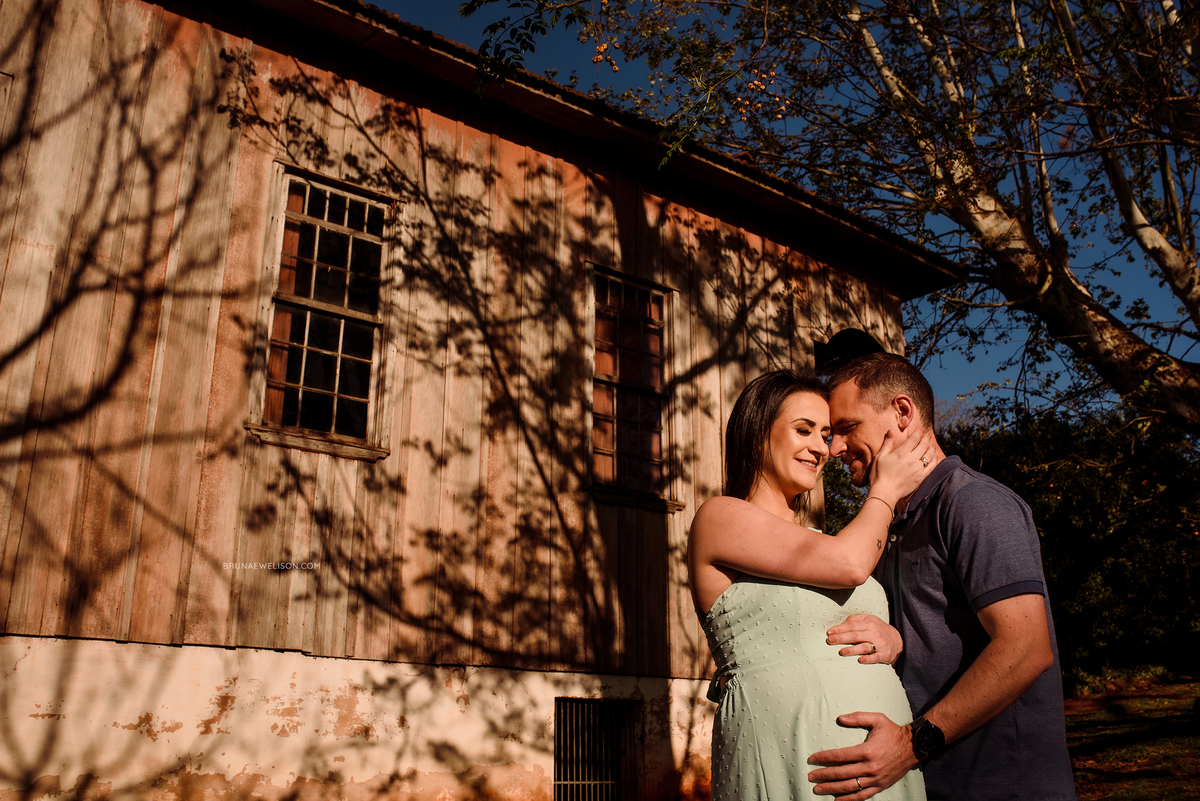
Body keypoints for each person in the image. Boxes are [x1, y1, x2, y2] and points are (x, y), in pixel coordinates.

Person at [807, 353, 1077, 800]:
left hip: (1006, 787)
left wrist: (909, 746)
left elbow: (1027, 647)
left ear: (902, 412)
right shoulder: (889, 522)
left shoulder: (974, 503)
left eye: (847, 427)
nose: (833, 448)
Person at [689, 369, 934, 801]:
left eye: (825, 435)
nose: (821, 448)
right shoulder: (719, 517)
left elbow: (840, 587)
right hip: (790, 754)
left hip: (883, 766)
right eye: (804, 430)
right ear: (756, 432)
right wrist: (886, 488)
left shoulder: (826, 541)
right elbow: (851, 564)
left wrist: (893, 640)